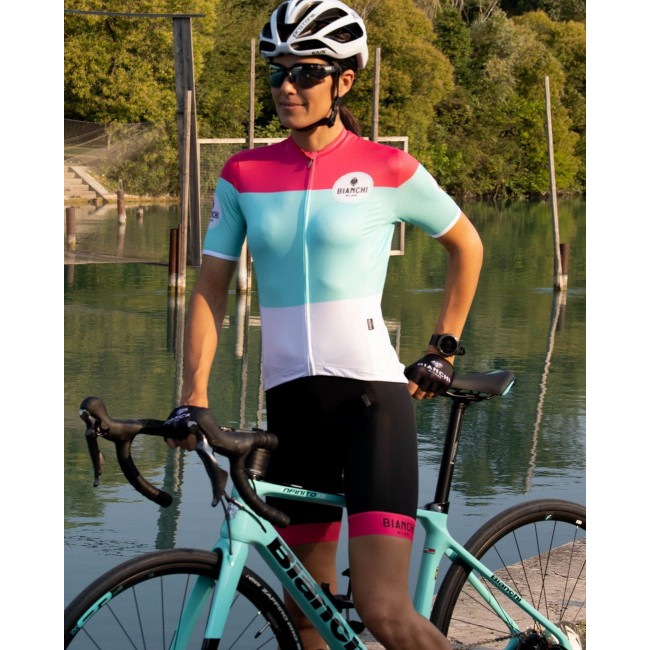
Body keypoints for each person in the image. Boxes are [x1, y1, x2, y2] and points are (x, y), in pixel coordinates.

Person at [167, 1, 483, 648]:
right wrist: (193, 396)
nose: (287, 86)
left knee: (383, 610)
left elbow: (466, 245)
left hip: (371, 406)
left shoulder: (388, 168)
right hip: (291, 409)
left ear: (344, 81)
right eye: (277, 72)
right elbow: (209, 291)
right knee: (309, 615)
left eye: (306, 72)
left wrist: (442, 348)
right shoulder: (244, 175)